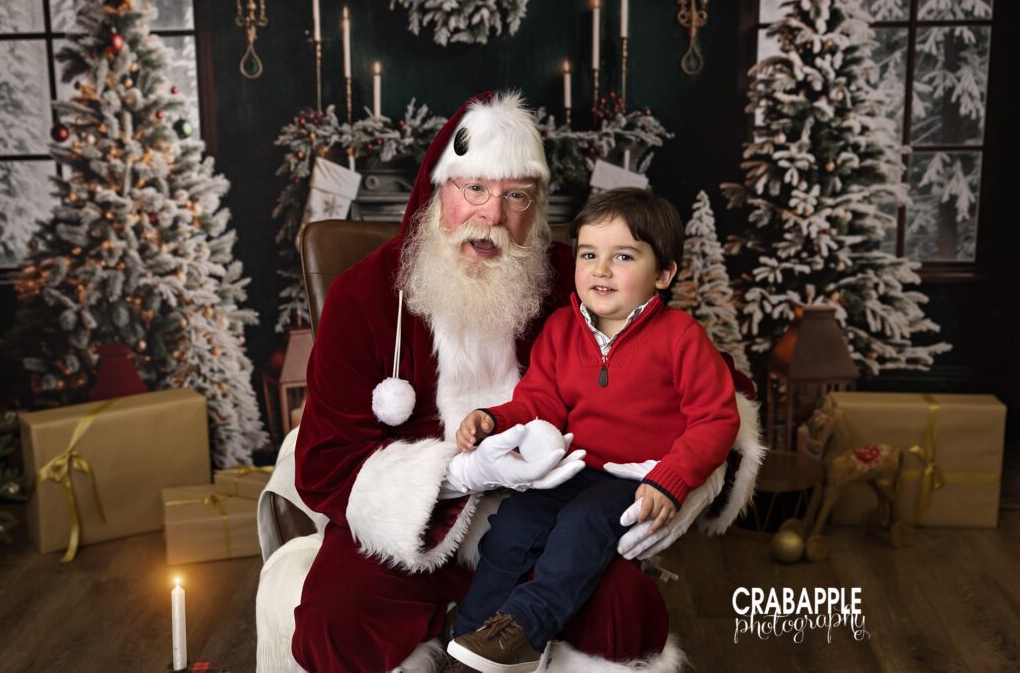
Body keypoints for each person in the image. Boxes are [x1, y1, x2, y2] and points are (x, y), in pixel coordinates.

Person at [269, 91, 763, 673]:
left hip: (556, 511)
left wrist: (675, 487)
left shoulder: (575, 278)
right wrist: (465, 472)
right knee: (336, 614)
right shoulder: (364, 297)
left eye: (515, 196)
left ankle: (487, 644)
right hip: (415, 528)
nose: (492, 216)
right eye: (473, 189)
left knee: (623, 608)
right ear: (439, 190)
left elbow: (716, 393)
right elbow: (329, 463)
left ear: (537, 205)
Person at [447, 189, 741, 673]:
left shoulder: (681, 337)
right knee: (512, 528)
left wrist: (671, 479)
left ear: (663, 273)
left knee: (580, 528)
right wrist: (495, 418)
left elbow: (717, 418)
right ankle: (471, 645)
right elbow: (541, 400)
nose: (600, 270)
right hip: (574, 468)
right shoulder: (563, 329)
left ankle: (526, 626)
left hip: (634, 477)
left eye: (623, 256)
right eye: (589, 255)